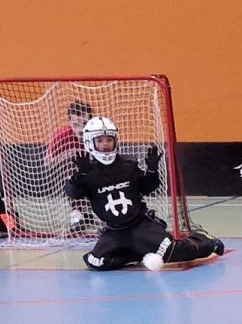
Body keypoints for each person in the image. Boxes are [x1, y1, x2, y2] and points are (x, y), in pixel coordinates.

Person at [67, 116, 224, 271]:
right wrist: (81, 176)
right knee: (97, 262)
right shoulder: (87, 173)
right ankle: (134, 253)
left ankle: (206, 241)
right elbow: (74, 194)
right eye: (100, 140)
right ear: (90, 142)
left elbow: (148, 188)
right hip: (115, 231)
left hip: (141, 225)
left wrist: (152, 170)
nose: (105, 144)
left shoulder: (127, 166)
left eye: (109, 139)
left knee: (170, 251)